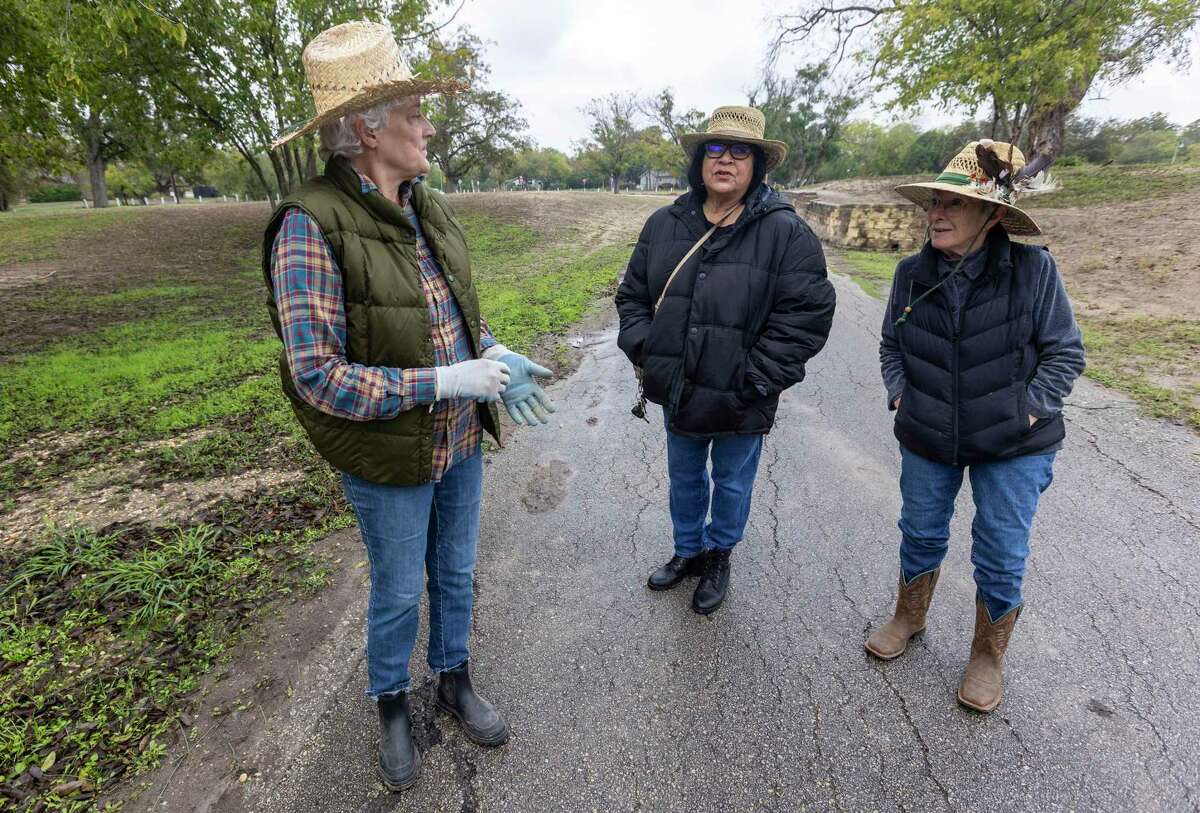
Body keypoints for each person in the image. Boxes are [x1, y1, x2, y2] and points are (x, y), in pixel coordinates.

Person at [262, 21, 556, 791]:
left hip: (455, 440)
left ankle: (453, 677)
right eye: (413, 112)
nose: (429, 125)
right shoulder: (308, 224)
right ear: (366, 129)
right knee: (399, 587)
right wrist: (443, 381)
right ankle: (392, 699)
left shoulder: (426, 203)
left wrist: (489, 352)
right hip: (389, 449)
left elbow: (449, 310)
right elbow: (317, 375)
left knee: (455, 572)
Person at [866, 140, 1086, 713]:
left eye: (953, 204)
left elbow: (1065, 354)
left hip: (1015, 442)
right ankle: (908, 616)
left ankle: (987, 653)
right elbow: (891, 343)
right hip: (929, 431)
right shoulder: (910, 274)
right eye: (934, 202)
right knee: (919, 528)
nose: (937, 213)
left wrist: (1027, 411)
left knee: (1001, 548)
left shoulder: (1033, 271)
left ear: (991, 214)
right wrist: (900, 394)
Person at [615, 106, 836, 615]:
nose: (727, 160)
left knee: (732, 480)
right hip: (680, 386)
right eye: (716, 148)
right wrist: (651, 353)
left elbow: (806, 316)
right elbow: (631, 297)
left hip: (743, 393)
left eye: (741, 151)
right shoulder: (665, 223)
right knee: (684, 476)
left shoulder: (785, 233)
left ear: (757, 164)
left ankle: (719, 555)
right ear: (700, 160)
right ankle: (688, 551)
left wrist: (755, 377)